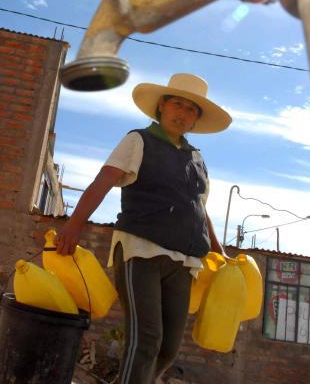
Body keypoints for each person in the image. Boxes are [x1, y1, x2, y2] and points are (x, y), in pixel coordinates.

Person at [56, 72, 232, 384]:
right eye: (177, 103)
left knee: (168, 348)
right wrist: (73, 224)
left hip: (184, 261)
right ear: (161, 106)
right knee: (146, 339)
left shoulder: (197, 159)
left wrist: (219, 253)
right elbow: (103, 182)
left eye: (192, 109)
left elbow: (200, 208)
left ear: (196, 120)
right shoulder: (138, 140)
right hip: (141, 250)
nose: (183, 112)